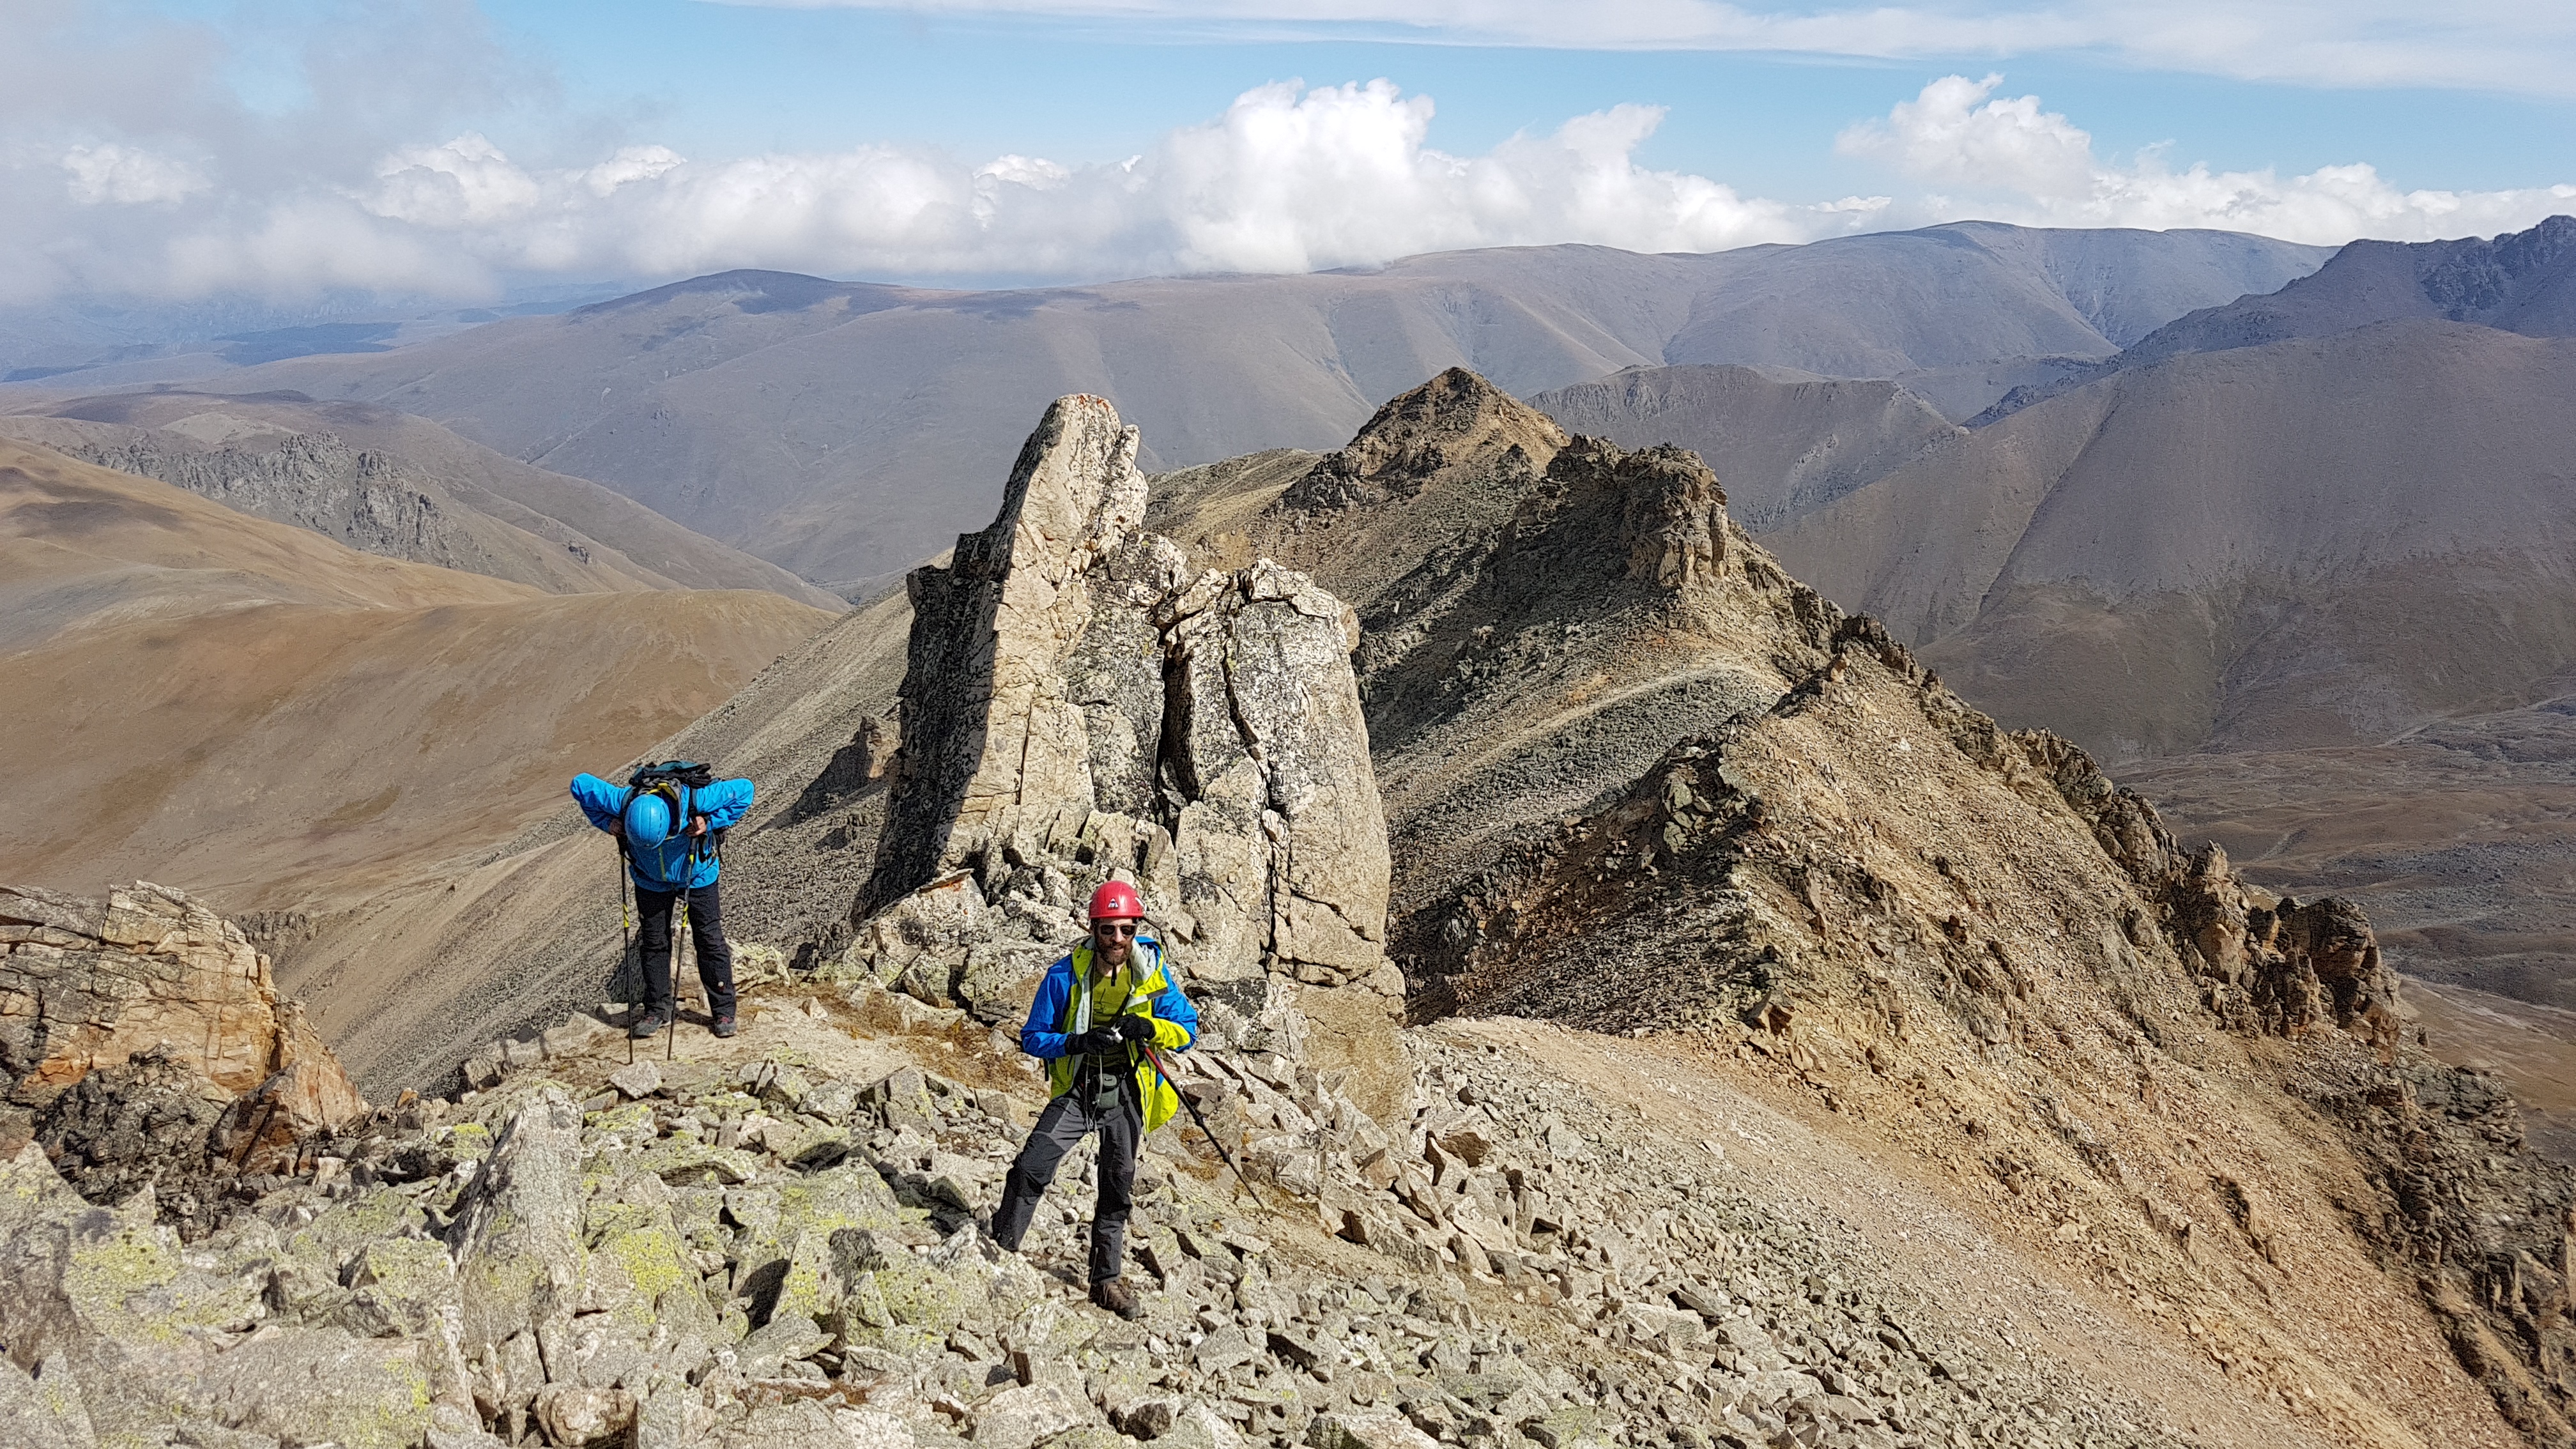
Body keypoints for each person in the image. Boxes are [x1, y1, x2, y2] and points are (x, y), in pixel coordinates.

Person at [990, 880, 1198, 1319]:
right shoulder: (1064, 975)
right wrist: (1077, 1042)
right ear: (1093, 928)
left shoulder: (1153, 973)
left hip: (1127, 1091)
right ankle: (998, 1252)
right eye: (1108, 929)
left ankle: (1106, 1282)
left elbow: (1187, 1029)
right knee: (1031, 1167)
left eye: (1126, 930)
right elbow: (1033, 1037)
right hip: (1079, 1087)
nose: (1118, 939)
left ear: (1136, 928)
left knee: (1117, 1187)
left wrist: (1152, 1029)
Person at [570, 766, 754, 1039]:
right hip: (649, 879)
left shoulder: (696, 800)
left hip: (697, 874)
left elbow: (746, 789)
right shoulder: (623, 802)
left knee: (709, 939)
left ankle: (723, 1011)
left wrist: (710, 822)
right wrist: (607, 824)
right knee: (653, 941)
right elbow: (580, 784)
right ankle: (657, 1009)